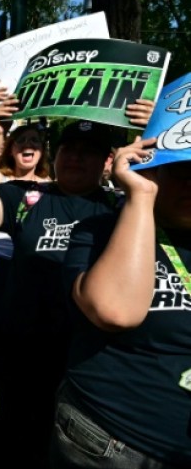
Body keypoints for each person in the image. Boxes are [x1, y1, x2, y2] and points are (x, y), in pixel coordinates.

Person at [0, 120, 133, 466]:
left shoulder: (120, 209)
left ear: (106, 162)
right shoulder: (27, 196)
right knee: (12, 442)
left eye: (88, 152)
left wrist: (145, 133)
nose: (76, 158)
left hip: (83, 358)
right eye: (69, 149)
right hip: (19, 349)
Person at [52, 138, 191, 468]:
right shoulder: (98, 230)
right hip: (112, 439)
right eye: (180, 171)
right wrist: (140, 197)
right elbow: (114, 311)